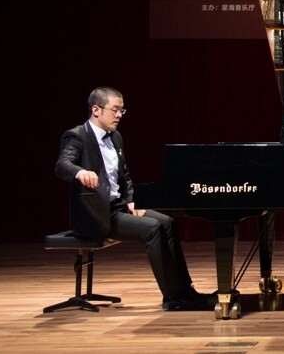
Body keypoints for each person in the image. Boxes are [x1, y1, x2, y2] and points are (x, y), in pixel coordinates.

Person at [54, 86, 212, 311]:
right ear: (96, 110)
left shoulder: (115, 137)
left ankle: (185, 290)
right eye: (115, 110)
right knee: (152, 229)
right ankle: (174, 296)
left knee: (167, 222)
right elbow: (63, 165)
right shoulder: (77, 136)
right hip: (96, 215)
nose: (119, 115)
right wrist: (80, 172)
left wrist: (131, 200)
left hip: (118, 207)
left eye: (122, 110)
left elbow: (124, 175)